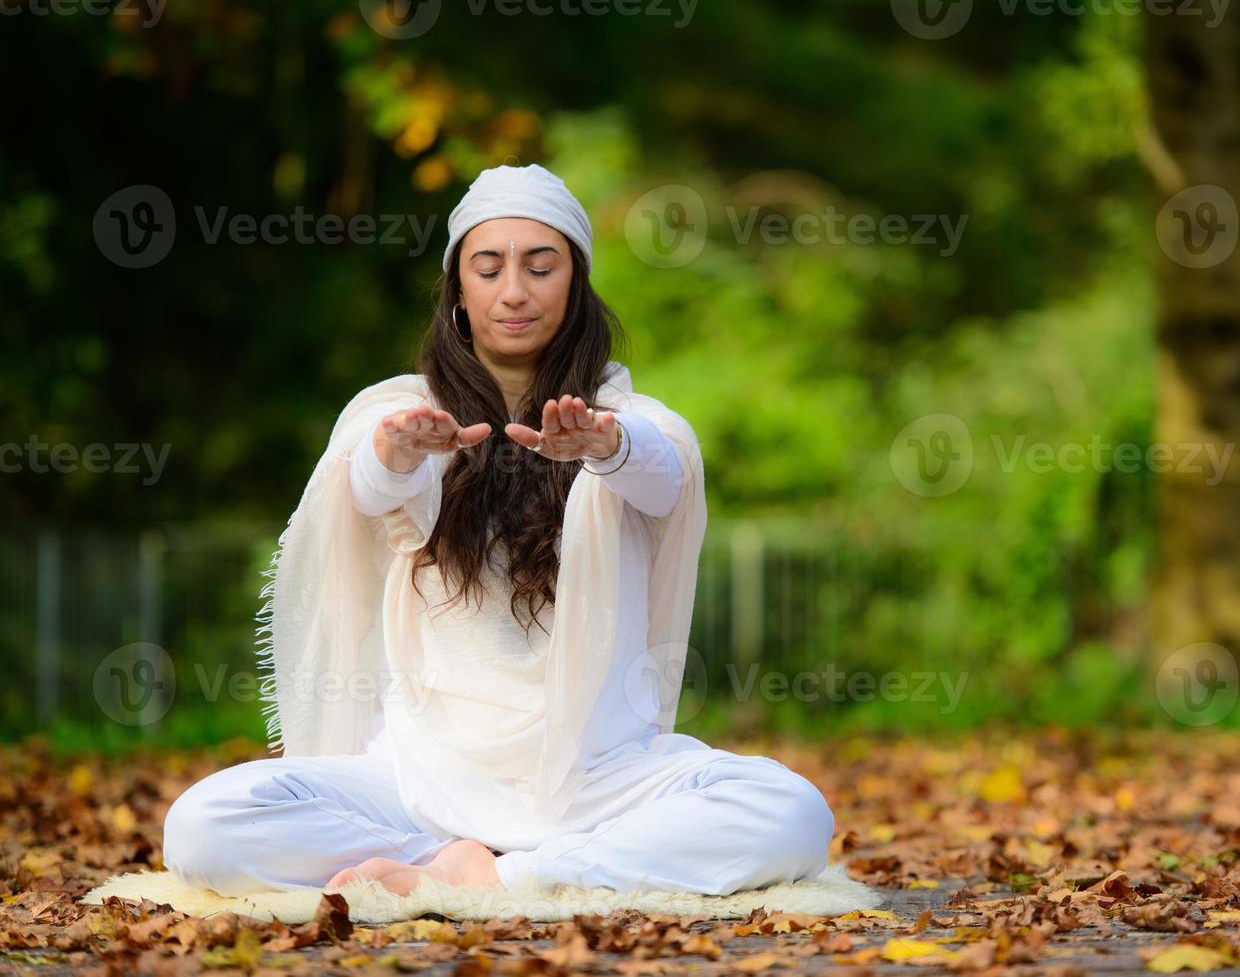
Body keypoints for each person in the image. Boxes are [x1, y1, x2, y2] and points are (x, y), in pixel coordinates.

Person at [161, 163, 834, 898]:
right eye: (489, 268)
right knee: (205, 823)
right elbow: (365, 484)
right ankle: (456, 860)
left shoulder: (633, 422)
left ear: (575, 287)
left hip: (594, 777)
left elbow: (664, 476)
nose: (514, 290)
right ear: (459, 291)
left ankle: (496, 877)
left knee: (791, 812)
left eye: (540, 267)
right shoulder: (398, 412)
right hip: (420, 776)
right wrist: (399, 452)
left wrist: (606, 450)